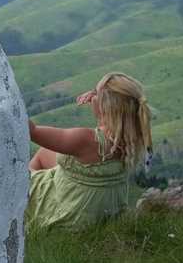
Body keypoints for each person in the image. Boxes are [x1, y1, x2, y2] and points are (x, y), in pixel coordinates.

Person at [25, 71, 153, 231]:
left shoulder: (84, 140)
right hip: (99, 212)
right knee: (45, 152)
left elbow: (31, 131)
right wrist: (99, 103)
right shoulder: (134, 139)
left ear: (105, 105)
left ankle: (29, 202)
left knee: (25, 173)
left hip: (71, 218)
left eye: (96, 93)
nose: (91, 96)